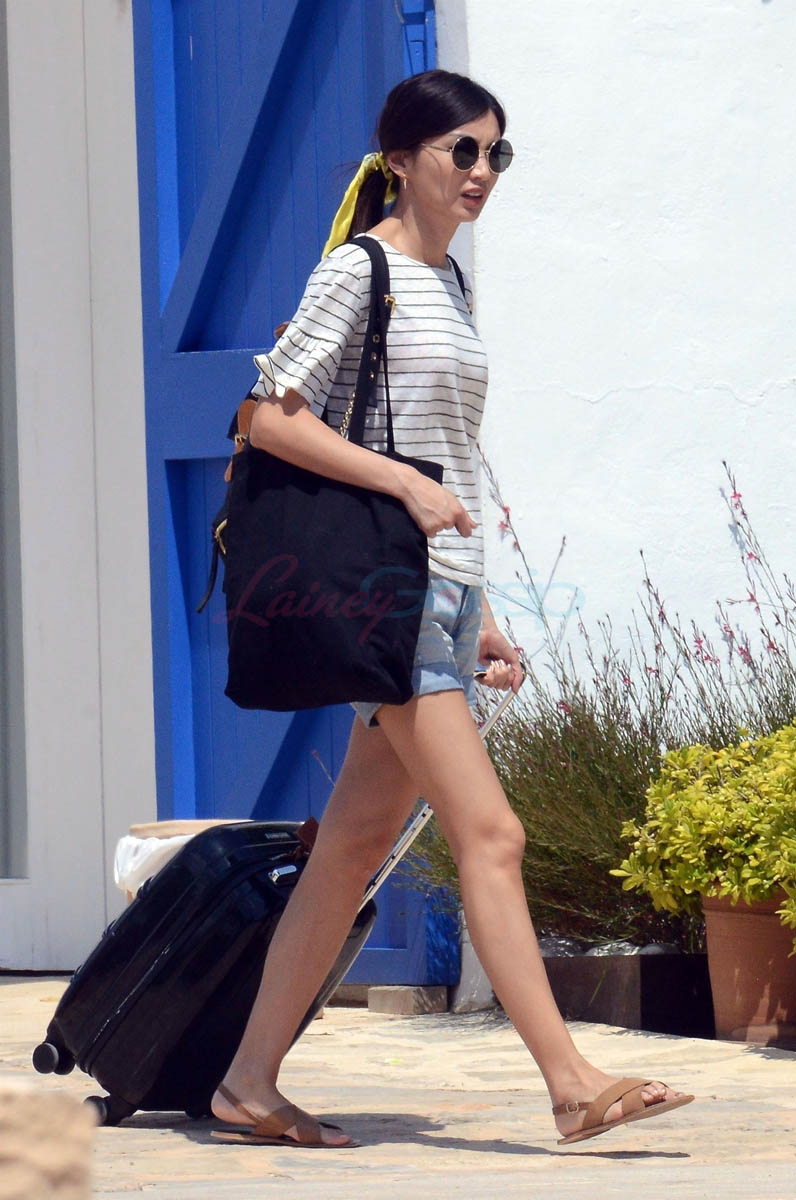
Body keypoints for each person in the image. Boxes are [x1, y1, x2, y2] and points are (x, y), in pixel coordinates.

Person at [211, 68, 693, 1149]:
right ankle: (570, 1083)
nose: (481, 172)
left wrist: (479, 609)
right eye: (461, 151)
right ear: (400, 160)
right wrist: (402, 485)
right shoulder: (362, 269)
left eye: (495, 154)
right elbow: (264, 417)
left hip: (433, 594)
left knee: (350, 850)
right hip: (382, 597)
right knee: (493, 833)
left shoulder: (449, 283)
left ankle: (245, 1085)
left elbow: (454, 459)